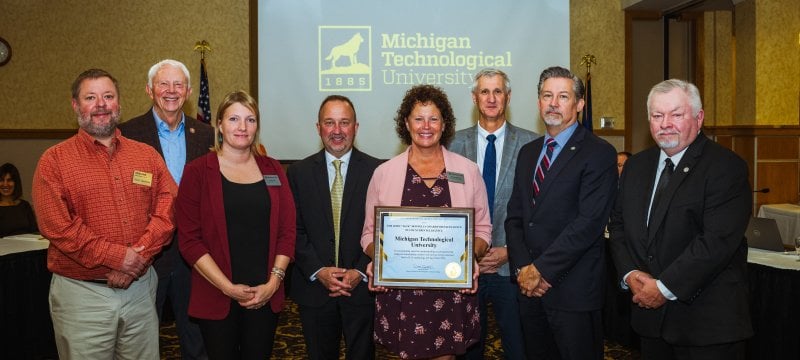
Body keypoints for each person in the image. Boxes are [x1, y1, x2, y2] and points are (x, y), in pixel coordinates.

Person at [32, 68, 176, 359]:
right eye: (91, 97)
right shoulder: (54, 161)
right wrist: (118, 258)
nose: (101, 104)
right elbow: (58, 227)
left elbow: (169, 209)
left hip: (140, 290)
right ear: (75, 105)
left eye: (108, 96)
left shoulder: (146, 155)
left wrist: (138, 256)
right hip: (82, 296)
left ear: (118, 103)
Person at [608, 79, 752, 359]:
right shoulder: (636, 166)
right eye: (657, 116)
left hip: (706, 326)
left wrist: (663, 287)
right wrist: (630, 274)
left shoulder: (726, 167)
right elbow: (618, 225)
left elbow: (715, 242)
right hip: (650, 323)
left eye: (676, 114)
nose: (666, 124)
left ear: (699, 118)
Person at [360, 84, 492, 360]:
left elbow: (482, 228)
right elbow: (369, 234)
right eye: (418, 118)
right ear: (406, 123)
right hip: (401, 290)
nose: (426, 126)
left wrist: (472, 260)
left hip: (452, 288)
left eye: (433, 118)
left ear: (444, 124)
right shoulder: (384, 173)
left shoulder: (467, 171)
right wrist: (381, 261)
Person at [505, 66, 618, 360]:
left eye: (563, 96)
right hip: (529, 289)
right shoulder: (529, 152)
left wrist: (540, 271)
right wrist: (522, 268)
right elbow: (516, 216)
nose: (553, 103)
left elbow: (588, 223)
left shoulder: (598, 152)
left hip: (573, 291)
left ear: (579, 104)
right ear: (539, 101)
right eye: (547, 95)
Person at [176, 90, 296, 360]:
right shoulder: (197, 172)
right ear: (219, 124)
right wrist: (227, 287)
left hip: (265, 293)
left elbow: (287, 231)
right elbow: (189, 240)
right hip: (216, 293)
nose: (242, 127)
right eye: (234, 119)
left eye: (250, 120)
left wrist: (274, 282)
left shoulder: (273, 169)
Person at [119, 59, 212, 360]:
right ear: (149, 90)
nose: (171, 91)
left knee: (196, 338)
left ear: (186, 92)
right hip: (147, 253)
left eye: (178, 85)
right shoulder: (126, 134)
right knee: (140, 340)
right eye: (163, 84)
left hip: (195, 254)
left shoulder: (208, 135)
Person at [449, 68, 537, 360]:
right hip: (464, 267)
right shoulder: (451, 145)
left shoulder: (532, 144)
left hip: (512, 266)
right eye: (484, 92)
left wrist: (510, 251)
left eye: (497, 91)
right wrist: (469, 252)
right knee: (466, 348)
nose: (491, 98)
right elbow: (444, 207)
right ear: (474, 98)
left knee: (518, 346)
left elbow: (539, 209)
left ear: (508, 97)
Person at [287, 95, 381, 360]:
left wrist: (360, 271)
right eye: (329, 122)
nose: (337, 131)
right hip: (315, 287)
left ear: (356, 127)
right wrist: (319, 271)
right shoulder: (298, 173)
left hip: (362, 288)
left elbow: (382, 230)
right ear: (318, 128)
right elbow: (293, 230)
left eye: (344, 122)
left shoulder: (378, 171)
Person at [0, 162, 38, 237]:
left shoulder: (24, 205)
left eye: (9, 180)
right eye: (1, 180)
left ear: (16, 183)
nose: (5, 184)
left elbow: (35, 231)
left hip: (28, 247)